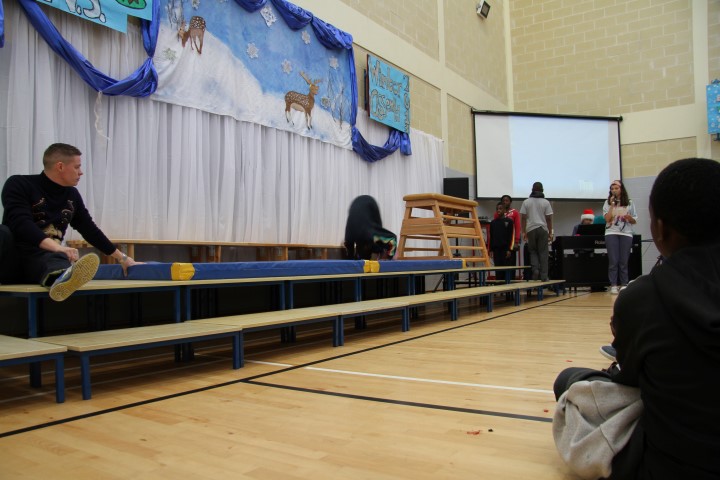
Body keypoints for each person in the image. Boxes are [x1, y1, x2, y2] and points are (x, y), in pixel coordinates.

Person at [553, 158, 720, 480]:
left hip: (665, 465)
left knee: (569, 380)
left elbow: (629, 381)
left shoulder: (643, 298)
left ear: (660, 228)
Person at [0, 143, 140, 301]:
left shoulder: (72, 195)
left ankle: (61, 280)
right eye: (77, 167)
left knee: (56, 259)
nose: (81, 172)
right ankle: (63, 276)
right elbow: (21, 223)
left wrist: (123, 258)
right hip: (13, 260)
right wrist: (58, 248)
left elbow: (89, 229)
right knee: (2, 232)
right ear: (60, 166)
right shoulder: (19, 184)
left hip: (42, 262)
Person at [603, 180, 637, 294]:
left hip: (626, 233)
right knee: (613, 260)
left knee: (624, 260)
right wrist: (612, 205)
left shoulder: (629, 202)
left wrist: (629, 217)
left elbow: (634, 220)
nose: (614, 190)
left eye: (616, 188)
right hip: (611, 232)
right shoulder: (607, 202)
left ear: (621, 189)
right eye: (612, 189)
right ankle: (613, 284)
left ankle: (624, 284)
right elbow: (607, 219)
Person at [343, 195, 397, 260]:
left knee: (374, 245)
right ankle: (379, 252)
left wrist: (388, 257)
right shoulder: (368, 235)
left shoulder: (368, 235)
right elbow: (392, 239)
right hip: (359, 206)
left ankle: (380, 252)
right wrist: (389, 258)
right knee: (369, 249)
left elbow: (392, 239)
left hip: (368, 204)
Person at [520, 181, 553, 281]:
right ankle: (544, 276)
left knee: (533, 251)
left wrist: (523, 232)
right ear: (542, 190)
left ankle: (535, 270)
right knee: (543, 252)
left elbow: (523, 218)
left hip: (530, 229)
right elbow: (548, 219)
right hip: (542, 229)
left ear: (532, 190)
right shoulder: (546, 202)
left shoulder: (526, 202)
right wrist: (550, 232)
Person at [489, 202, 515, 282]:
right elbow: (491, 237)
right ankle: (498, 286)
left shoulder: (509, 221)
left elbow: (511, 236)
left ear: (505, 210)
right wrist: (491, 249)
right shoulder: (493, 223)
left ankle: (506, 286)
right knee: (498, 269)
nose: (498, 210)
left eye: (500, 209)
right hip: (496, 250)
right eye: (497, 209)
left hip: (505, 250)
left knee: (506, 269)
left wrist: (509, 249)